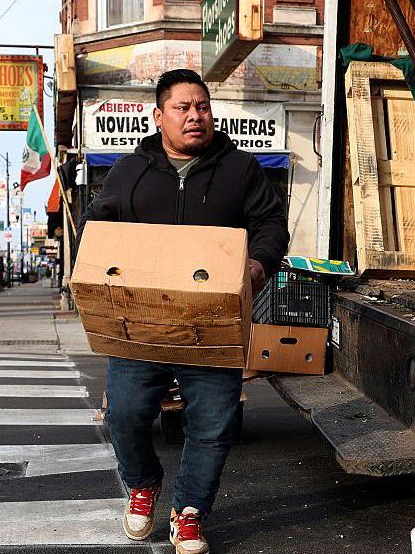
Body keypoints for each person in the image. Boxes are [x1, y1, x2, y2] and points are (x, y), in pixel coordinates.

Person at [79, 69, 289, 554]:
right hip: (140, 324)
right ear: (159, 116)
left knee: (214, 424)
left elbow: (270, 222)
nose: (195, 117)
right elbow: (98, 225)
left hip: (211, 325)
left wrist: (258, 263)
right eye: (183, 108)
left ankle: (190, 511)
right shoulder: (130, 171)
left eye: (203, 107)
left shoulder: (240, 170)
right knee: (126, 414)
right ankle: (142, 485)